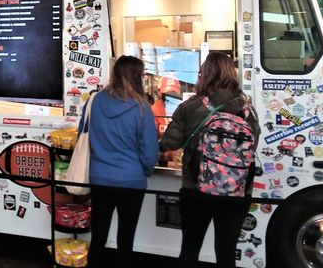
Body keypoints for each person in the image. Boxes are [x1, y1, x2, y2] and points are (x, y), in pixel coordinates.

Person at [161, 52, 260, 268]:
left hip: (196, 188)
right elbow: (254, 143)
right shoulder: (247, 109)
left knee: (190, 249)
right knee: (226, 253)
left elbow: (170, 143)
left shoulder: (191, 106)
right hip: (237, 190)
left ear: (204, 73)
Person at [80, 55, 159, 268]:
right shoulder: (142, 108)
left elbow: (82, 134)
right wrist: (145, 170)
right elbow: (150, 151)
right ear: (138, 77)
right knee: (126, 239)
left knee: (98, 236)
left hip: (99, 178)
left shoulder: (94, 101)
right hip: (131, 181)